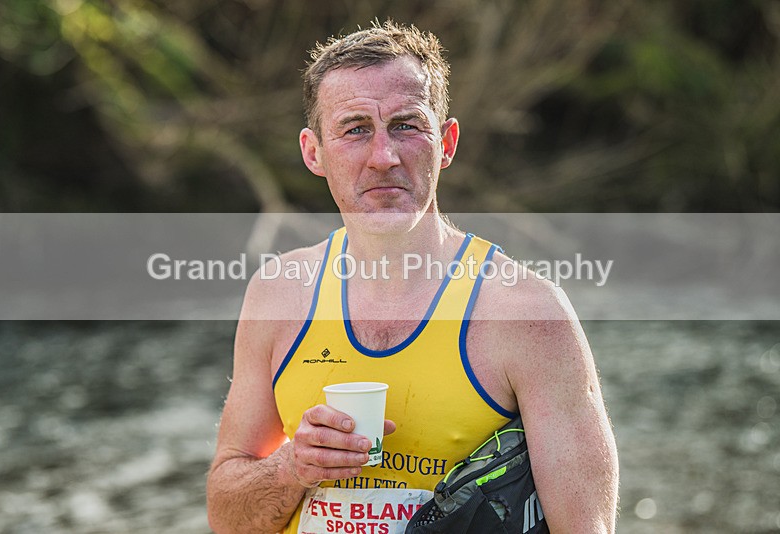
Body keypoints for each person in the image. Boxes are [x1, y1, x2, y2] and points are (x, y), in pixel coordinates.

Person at [206, 20, 619, 534]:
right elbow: (227, 518)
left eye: (406, 125)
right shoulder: (278, 295)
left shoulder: (527, 314)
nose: (384, 156)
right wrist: (292, 467)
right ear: (313, 152)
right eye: (356, 129)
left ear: (446, 142)